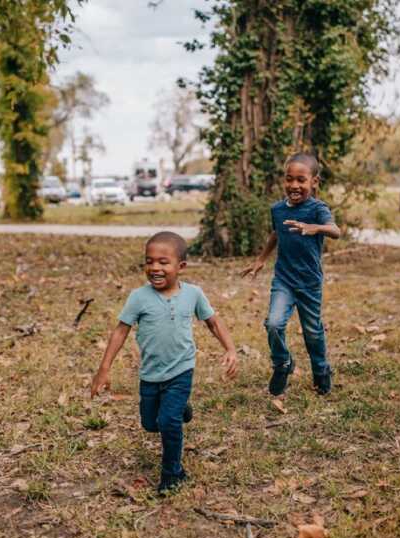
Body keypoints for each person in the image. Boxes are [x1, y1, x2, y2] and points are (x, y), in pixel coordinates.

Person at [91, 231, 238, 494]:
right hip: (150, 374)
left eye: (163, 262)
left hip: (181, 369)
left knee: (168, 421)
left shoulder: (193, 293)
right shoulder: (138, 297)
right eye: (149, 261)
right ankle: (182, 410)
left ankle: (173, 474)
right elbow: (120, 331)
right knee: (151, 423)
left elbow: (213, 322)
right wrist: (104, 369)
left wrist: (230, 349)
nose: (155, 268)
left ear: (180, 267)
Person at [241, 153, 341, 397]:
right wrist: (261, 259)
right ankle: (282, 363)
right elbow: (276, 234)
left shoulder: (318, 209)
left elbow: (335, 231)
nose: (294, 185)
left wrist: (313, 228)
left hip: (309, 282)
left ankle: (321, 370)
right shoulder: (277, 209)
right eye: (289, 179)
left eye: (301, 180)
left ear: (314, 182)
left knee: (312, 331)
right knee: (273, 324)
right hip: (284, 280)